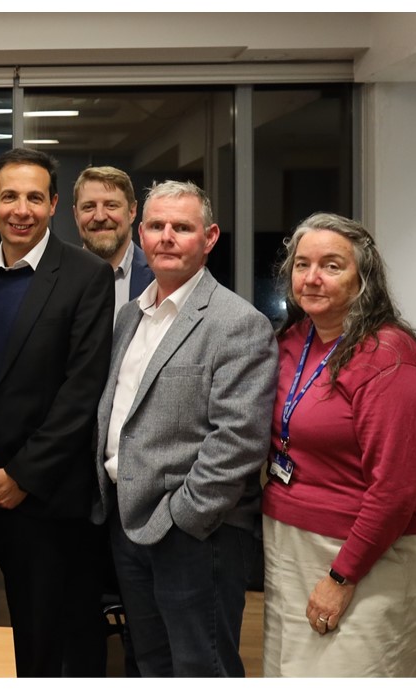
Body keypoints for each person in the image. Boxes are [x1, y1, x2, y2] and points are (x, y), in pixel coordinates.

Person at [93, 180, 276, 677]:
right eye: (156, 226)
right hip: (128, 522)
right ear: (141, 234)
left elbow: (238, 439)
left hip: (196, 533)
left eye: (182, 227)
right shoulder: (132, 315)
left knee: (202, 667)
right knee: (151, 662)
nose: (167, 237)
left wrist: (183, 516)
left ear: (210, 237)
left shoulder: (238, 322)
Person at [0, 148, 113, 677]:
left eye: (34, 197)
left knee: (40, 643)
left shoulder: (87, 276)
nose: (20, 209)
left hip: (42, 499)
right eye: (9, 196)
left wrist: (22, 474)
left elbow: (81, 389)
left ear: (53, 206)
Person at [261, 212, 416, 677]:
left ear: (364, 278)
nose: (312, 278)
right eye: (302, 265)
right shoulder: (293, 341)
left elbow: (395, 490)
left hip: (366, 556)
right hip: (289, 543)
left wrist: (343, 576)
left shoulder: (386, 356)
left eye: (332, 265)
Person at [74, 166, 154, 318]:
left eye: (111, 205)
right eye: (88, 207)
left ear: (132, 212)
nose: (100, 217)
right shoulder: (55, 280)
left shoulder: (158, 275)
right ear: (76, 215)